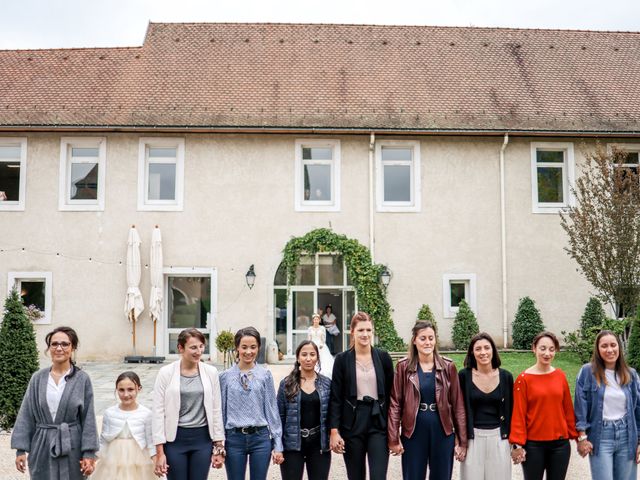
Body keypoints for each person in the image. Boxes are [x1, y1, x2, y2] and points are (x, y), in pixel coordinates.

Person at [12, 326, 98, 479]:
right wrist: (20, 450)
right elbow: (26, 414)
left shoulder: (82, 379)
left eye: (65, 344)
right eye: (54, 344)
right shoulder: (37, 378)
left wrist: (89, 452)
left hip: (72, 445)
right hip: (42, 444)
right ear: (49, 348)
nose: (59, 348)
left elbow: (88, 418)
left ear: (73, 348)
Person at [388, 320, 467, 480]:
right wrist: (394, 437)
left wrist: (462, 440)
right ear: (414, 340)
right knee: (413, 476)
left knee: (442, 476)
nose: (427, 342)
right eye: (423, 338)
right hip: (414, 431)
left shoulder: (448, 366)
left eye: (431, 338)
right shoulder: (403, 367)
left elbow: (458, 404)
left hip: (443, 430)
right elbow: (395, 403)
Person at [152, 328, 225, 480]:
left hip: (202, 440)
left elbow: (216, 409)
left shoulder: (211, 372)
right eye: (193, 347)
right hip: (175, 440)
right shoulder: (165, 373)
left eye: (201, 346)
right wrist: (159, 452)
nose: (198, 351)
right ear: (180, 348)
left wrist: (218, 447)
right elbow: (158, 412)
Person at [329, 311, 394, 480]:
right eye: (360, 330)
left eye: (368, 330)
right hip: (352, 422)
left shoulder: (383, 357)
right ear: (352, 332)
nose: (365, 334)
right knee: (355, 476)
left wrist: (394, 428)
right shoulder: (342, 360)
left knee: (378, 476)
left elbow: (391, 394)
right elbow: (336, 398)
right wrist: (334, 431)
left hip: (377, 421)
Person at [510, 331, 578, 480]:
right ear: (534, 348)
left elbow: (567, 409)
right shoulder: (523, 379)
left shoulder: (560, 376)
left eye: (551, 349)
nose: (547, 353)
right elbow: (518, 414)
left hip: (560, 446)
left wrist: (579, 437)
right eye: (542, 348)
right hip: (533, 446)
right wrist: (517, 444)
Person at [574, 330, 640, 480]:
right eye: (604, 346)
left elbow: (638, 410)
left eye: (613, 345)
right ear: (597, 350)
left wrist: (639, 441)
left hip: (627, 435)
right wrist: (582, 436)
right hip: (601, 435)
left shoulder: (631, 374)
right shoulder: (587, 372)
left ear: (619, 347)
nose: (609, 350)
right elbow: (580, 404)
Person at [220, 327, 283, 480]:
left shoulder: (265, 375)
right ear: (237, 348)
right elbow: (221, 411)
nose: (249, 351)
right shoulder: (225, 377)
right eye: (244, 347)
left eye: (253, 347)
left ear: (258, 348)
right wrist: (218, 443)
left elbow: (271, 409)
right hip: (233, 439)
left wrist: (278, 444)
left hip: (260, 438)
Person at [458, 332, 513, 480]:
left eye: (487, 348)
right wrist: (459, 441)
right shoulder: (463, 376)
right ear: (472, 352)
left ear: (493, 350)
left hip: (499, 438)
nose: (483, 352)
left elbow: (511, 411)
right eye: (478, 349)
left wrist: (516, 445)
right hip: (472, 439)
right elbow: (457, 411)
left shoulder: (506, 377)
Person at [277, 340, 332, 480]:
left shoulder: (327, 384)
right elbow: (279, 416)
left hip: (318, 444)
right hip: (292, 445)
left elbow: (332, 414)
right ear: (298, 357)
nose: (308, 358)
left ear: (317, 358)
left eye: (312, 354)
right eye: (304, 354)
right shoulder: (286, 384)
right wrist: (277, 445)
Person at [92, 371, 155, 480]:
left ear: (139, 389)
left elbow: (150, 441)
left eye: (130, 389)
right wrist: (93, 459)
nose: (126, 394)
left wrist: (156, 460)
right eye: (121, 390)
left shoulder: (146, 414)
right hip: (113, 460)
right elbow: (104, 440)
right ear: (116, 390)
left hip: (139, 460)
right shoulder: (109, 413)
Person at [308, 313, 334, 378]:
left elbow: (324, 338)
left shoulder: (322, 328)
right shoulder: (310, 328)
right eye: (315, 319)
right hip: (313, 344)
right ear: (313, 320)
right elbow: (309, 338)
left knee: (322, 358)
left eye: (317, 319)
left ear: (319, 320)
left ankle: (322, 370)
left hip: (320, 345)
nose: (316, 320)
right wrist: (310, 345)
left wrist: (322, 344)